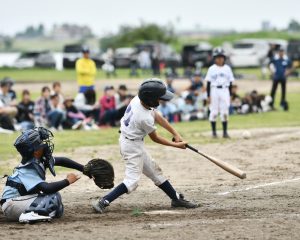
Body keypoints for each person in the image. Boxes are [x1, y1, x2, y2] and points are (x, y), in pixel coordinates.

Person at [92, 79, 198, 213]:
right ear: (151, 100)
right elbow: (156, 138)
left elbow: (156, 115)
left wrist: (175, 133)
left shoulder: (138, 99)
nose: (161, 101)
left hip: (133, 142)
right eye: (159, 99)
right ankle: (103, 201)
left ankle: (176, 198)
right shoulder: (143, 117)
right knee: (132, 181)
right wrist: (177, 145)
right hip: (131, 146)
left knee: (155, 172)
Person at [0, 127, 82, 222]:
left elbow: (63, 161)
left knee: (57, 205)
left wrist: (83, 168)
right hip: (11, 205)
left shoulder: (38, 160)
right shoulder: (28, 168)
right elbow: (47, 188)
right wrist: (67, 181)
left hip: (17, 202)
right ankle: (28, 214)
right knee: (52, 197)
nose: (45, 145)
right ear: (36, 151)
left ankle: (35, 212)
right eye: (42, 144)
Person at [205, 47, 234, 138]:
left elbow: (231, 82)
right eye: (217, 57)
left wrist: (231, 95)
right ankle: (214, 133)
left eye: (221, 57)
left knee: (224, 111)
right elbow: (208, 83)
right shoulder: (211, 69)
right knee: (213, 111)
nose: (219, 59)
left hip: (225, 90)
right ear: (214, 58)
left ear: (224, 58)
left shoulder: (227, 69)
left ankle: (225, 132)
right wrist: (208, 95)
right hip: (214, 90)